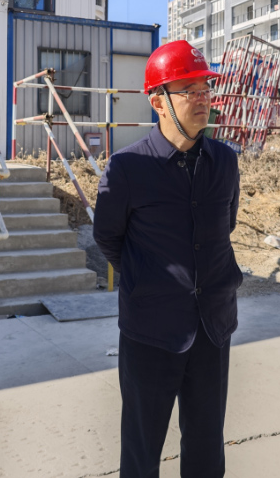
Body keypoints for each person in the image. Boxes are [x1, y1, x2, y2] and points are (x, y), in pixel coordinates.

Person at [93, 41, 242, 478]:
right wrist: (150, 282)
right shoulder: (127, 168)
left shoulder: (224, 161)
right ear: (157, 101)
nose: (203, 99)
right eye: (189, 91)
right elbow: (108, 238)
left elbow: (225, 226)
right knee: (141, 453)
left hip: (212, 328)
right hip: (150, 333)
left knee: (206, 450)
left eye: (206, 89)